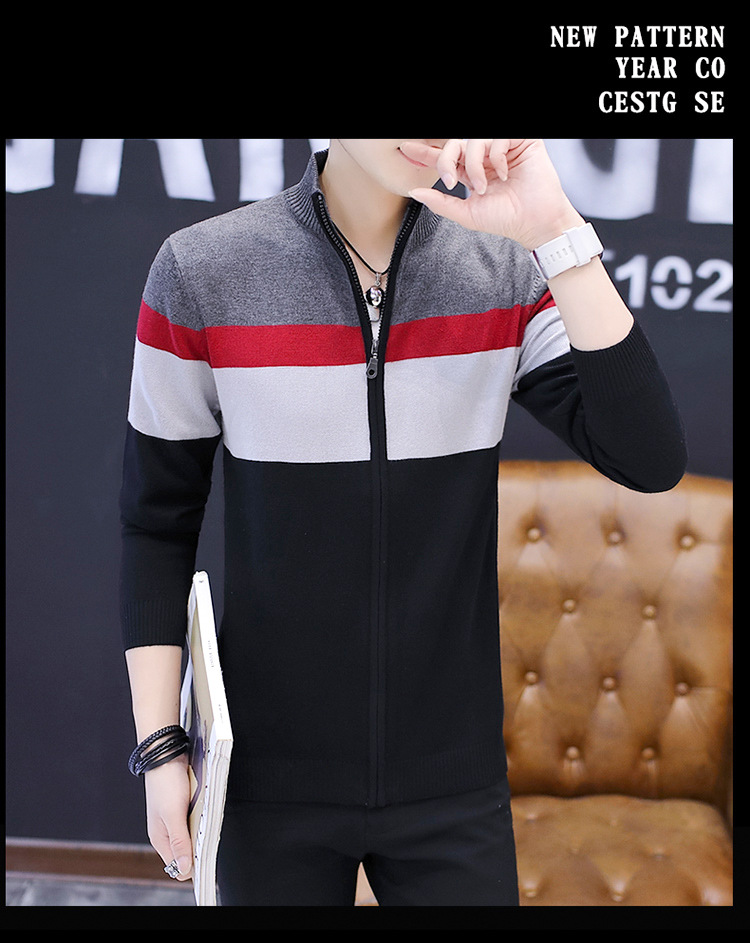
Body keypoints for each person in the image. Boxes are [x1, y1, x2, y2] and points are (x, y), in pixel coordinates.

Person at [120, 139, 687, 906]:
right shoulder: (204, 271)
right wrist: (161, 748)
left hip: (454, 782)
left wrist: (556, 228)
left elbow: (648, 457)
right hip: (268, 781)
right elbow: (157, 522)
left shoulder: (503, 270)